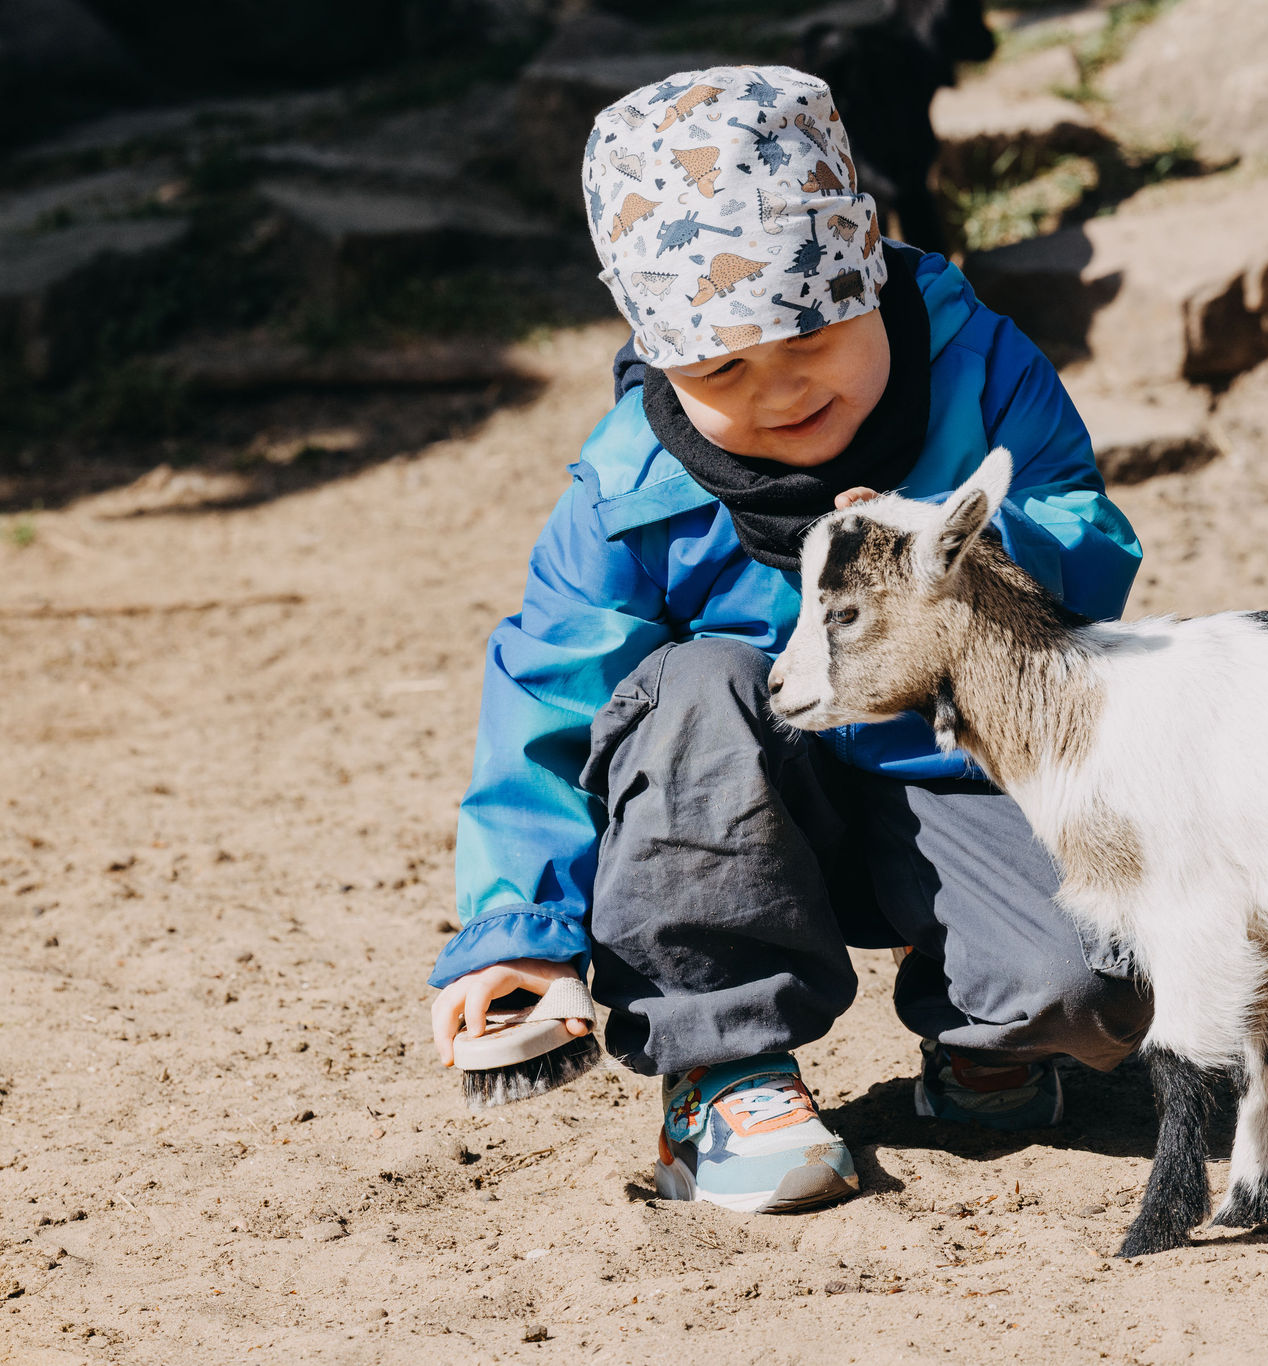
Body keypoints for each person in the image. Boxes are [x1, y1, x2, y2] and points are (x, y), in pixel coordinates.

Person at [426, 65, 1151, 1216]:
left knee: (1088, 983)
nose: (778, 389)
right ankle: (723, 1064)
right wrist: (519, 927)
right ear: (652, 345)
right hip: (735, 810)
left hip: (948, 772)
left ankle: (982, 1017)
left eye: (809, 332)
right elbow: (547, 702)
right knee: (696, 685)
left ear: (865, 257)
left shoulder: (981, 371)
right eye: (721, 368)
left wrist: (969, 547)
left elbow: (1085, 536)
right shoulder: (631, 486)